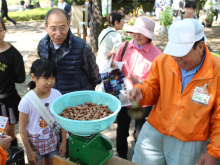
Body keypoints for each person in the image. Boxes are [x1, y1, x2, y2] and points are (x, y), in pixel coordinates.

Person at [128, 19, 220, 165]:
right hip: (154, 130)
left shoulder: (217, 71)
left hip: (189, 141)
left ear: (201, 47)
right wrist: (141, 93)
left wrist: (214, 151)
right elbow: (152, 89)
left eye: (182, 53)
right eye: (173, 52)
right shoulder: (163, 60)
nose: (177, 58)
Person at [111, 16, 162, 159]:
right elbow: (115, 67)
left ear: (149, 35)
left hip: (143, 99)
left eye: (142, 33)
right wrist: (112, 61)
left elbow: (157, 82)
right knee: (121, 132)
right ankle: (121, 159)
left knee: (140, 133)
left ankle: (138, 159)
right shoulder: (125, 46)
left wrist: (139, 82)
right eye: (135, 32)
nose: (137, 35)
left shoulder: (157, 55)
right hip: (123, 96)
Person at [37, 9, 102, 95]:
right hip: (55, 98)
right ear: (46, 27)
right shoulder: (42, 46)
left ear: (68, 25)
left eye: (62, 28)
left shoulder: (82, 47)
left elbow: (95, 76)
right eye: (53, 29)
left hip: (79, 100)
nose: (58, 33)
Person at [19, 59, 67, 165]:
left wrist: (64, 143)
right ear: (33, 77)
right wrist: (29, 151)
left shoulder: (57, 95)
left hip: (52, 141)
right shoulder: (26, 102)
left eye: (53, 77)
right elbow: (22, 128)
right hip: (33, 145)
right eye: (46, 78)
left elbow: (63, 120)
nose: (50, 82)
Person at [0, 18, 25, 147]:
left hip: (8, 102)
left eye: (0, 30)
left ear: (4, 30)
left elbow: (20, 78)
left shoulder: (13, 54)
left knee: (8, 135)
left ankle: (14, 157)